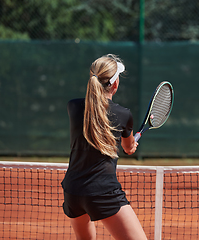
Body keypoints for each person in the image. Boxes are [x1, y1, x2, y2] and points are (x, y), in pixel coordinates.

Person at [61, 54, 147, 240]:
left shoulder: (73, 107)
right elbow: (128, 147)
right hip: (102, 191)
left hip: (73, 191)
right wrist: (132, 145)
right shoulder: (124, 115)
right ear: (115, 85)